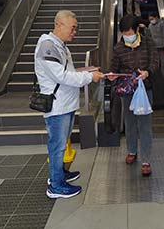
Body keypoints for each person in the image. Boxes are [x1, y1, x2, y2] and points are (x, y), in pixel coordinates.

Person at [34, 10, 104, 199]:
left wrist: (85, 70)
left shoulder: (60, 46)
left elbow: (67, 71)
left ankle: (60, 173)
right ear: (59, 25)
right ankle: (55, 186)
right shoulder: (47, 46)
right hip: (57, 106)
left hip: (66, 104)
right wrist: (90, 77)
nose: (75, 32)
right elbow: (61, 76)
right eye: (72, 28)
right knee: (57, 145)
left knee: (62, 143)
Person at [108, 15, 159, 176]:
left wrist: (147, 72)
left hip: (145, 89)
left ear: (137, 30)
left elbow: (155, 61)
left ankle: (146, 160)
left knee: (144, 124)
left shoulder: (148, 42)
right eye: (124, 33)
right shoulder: (118, 48)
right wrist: (113, 75)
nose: (127, 36)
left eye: (129, 32)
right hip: (128, 90)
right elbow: (114, 67)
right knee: (129, 122)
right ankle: (131, 151)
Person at [148, 12, 164, 78]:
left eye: (152, 19)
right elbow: (150, 36)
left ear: (156, 17)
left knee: (163, 64)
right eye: (150, 19)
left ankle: (162, 78)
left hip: (162, 47)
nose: (151, 20)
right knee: (155, 63)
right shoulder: (150, 25)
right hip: (154, 47)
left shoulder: (162, 24)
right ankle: (157, 78)